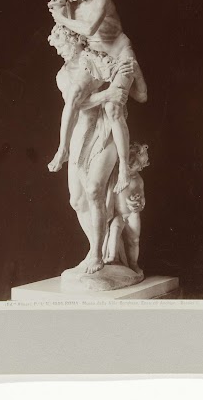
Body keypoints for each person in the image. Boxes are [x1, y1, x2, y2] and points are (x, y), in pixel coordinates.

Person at [48, 26, 147, 274]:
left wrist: (130, 76)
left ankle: (96, 254)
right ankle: (99, 248)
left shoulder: (99, 60)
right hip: (80, 133)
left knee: (94, 190)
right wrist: (106, 94)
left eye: (62, 44)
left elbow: (136, 95)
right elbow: (76, 106)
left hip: (105, 132)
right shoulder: (62, 75)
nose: (59, 51)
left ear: (76, 40)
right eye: (57, 47)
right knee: (77, 200)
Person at [48, 0, 147, 194]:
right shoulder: (72, 4)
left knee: (114, 108)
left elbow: (90, 28)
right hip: (96, 59)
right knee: (74, 94)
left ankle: (123, 168)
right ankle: (62, 149)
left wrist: (61, 16)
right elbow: (67, 29)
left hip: (119, 54)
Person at [104, 143, 149, 275]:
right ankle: (112, 257)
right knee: (115, 229)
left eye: (141, 166)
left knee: (134, 240)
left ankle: (133, 264)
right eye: (137, 166)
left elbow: (142, 197)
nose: (140, 169)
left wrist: (138, 202)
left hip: (132, 213)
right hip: (119, 214)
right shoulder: (115, 177)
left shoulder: (138, 179)